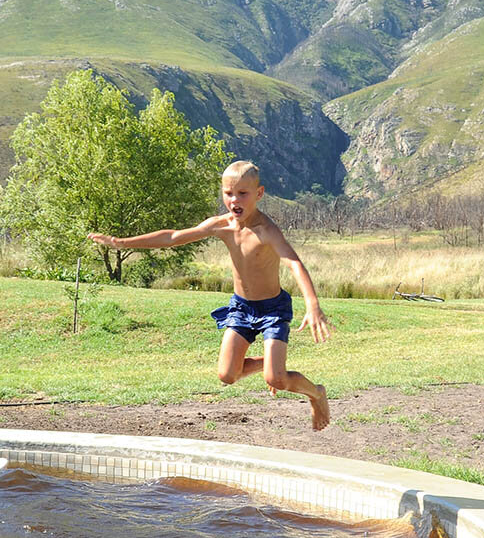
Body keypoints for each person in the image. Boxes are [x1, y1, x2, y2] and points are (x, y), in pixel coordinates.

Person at [88, 159, 332, 430]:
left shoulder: (266, 231)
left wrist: (313, 304)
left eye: (243, 193)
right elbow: (172, 237)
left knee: (277, 380)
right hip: (241, 308)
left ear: (259, 194)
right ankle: (271, 364)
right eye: (228, 193)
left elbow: (294, 263)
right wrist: (122, 243)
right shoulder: (221, 225)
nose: (234, 199)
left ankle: (316, 394)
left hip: (272, 309)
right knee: (227, 375)